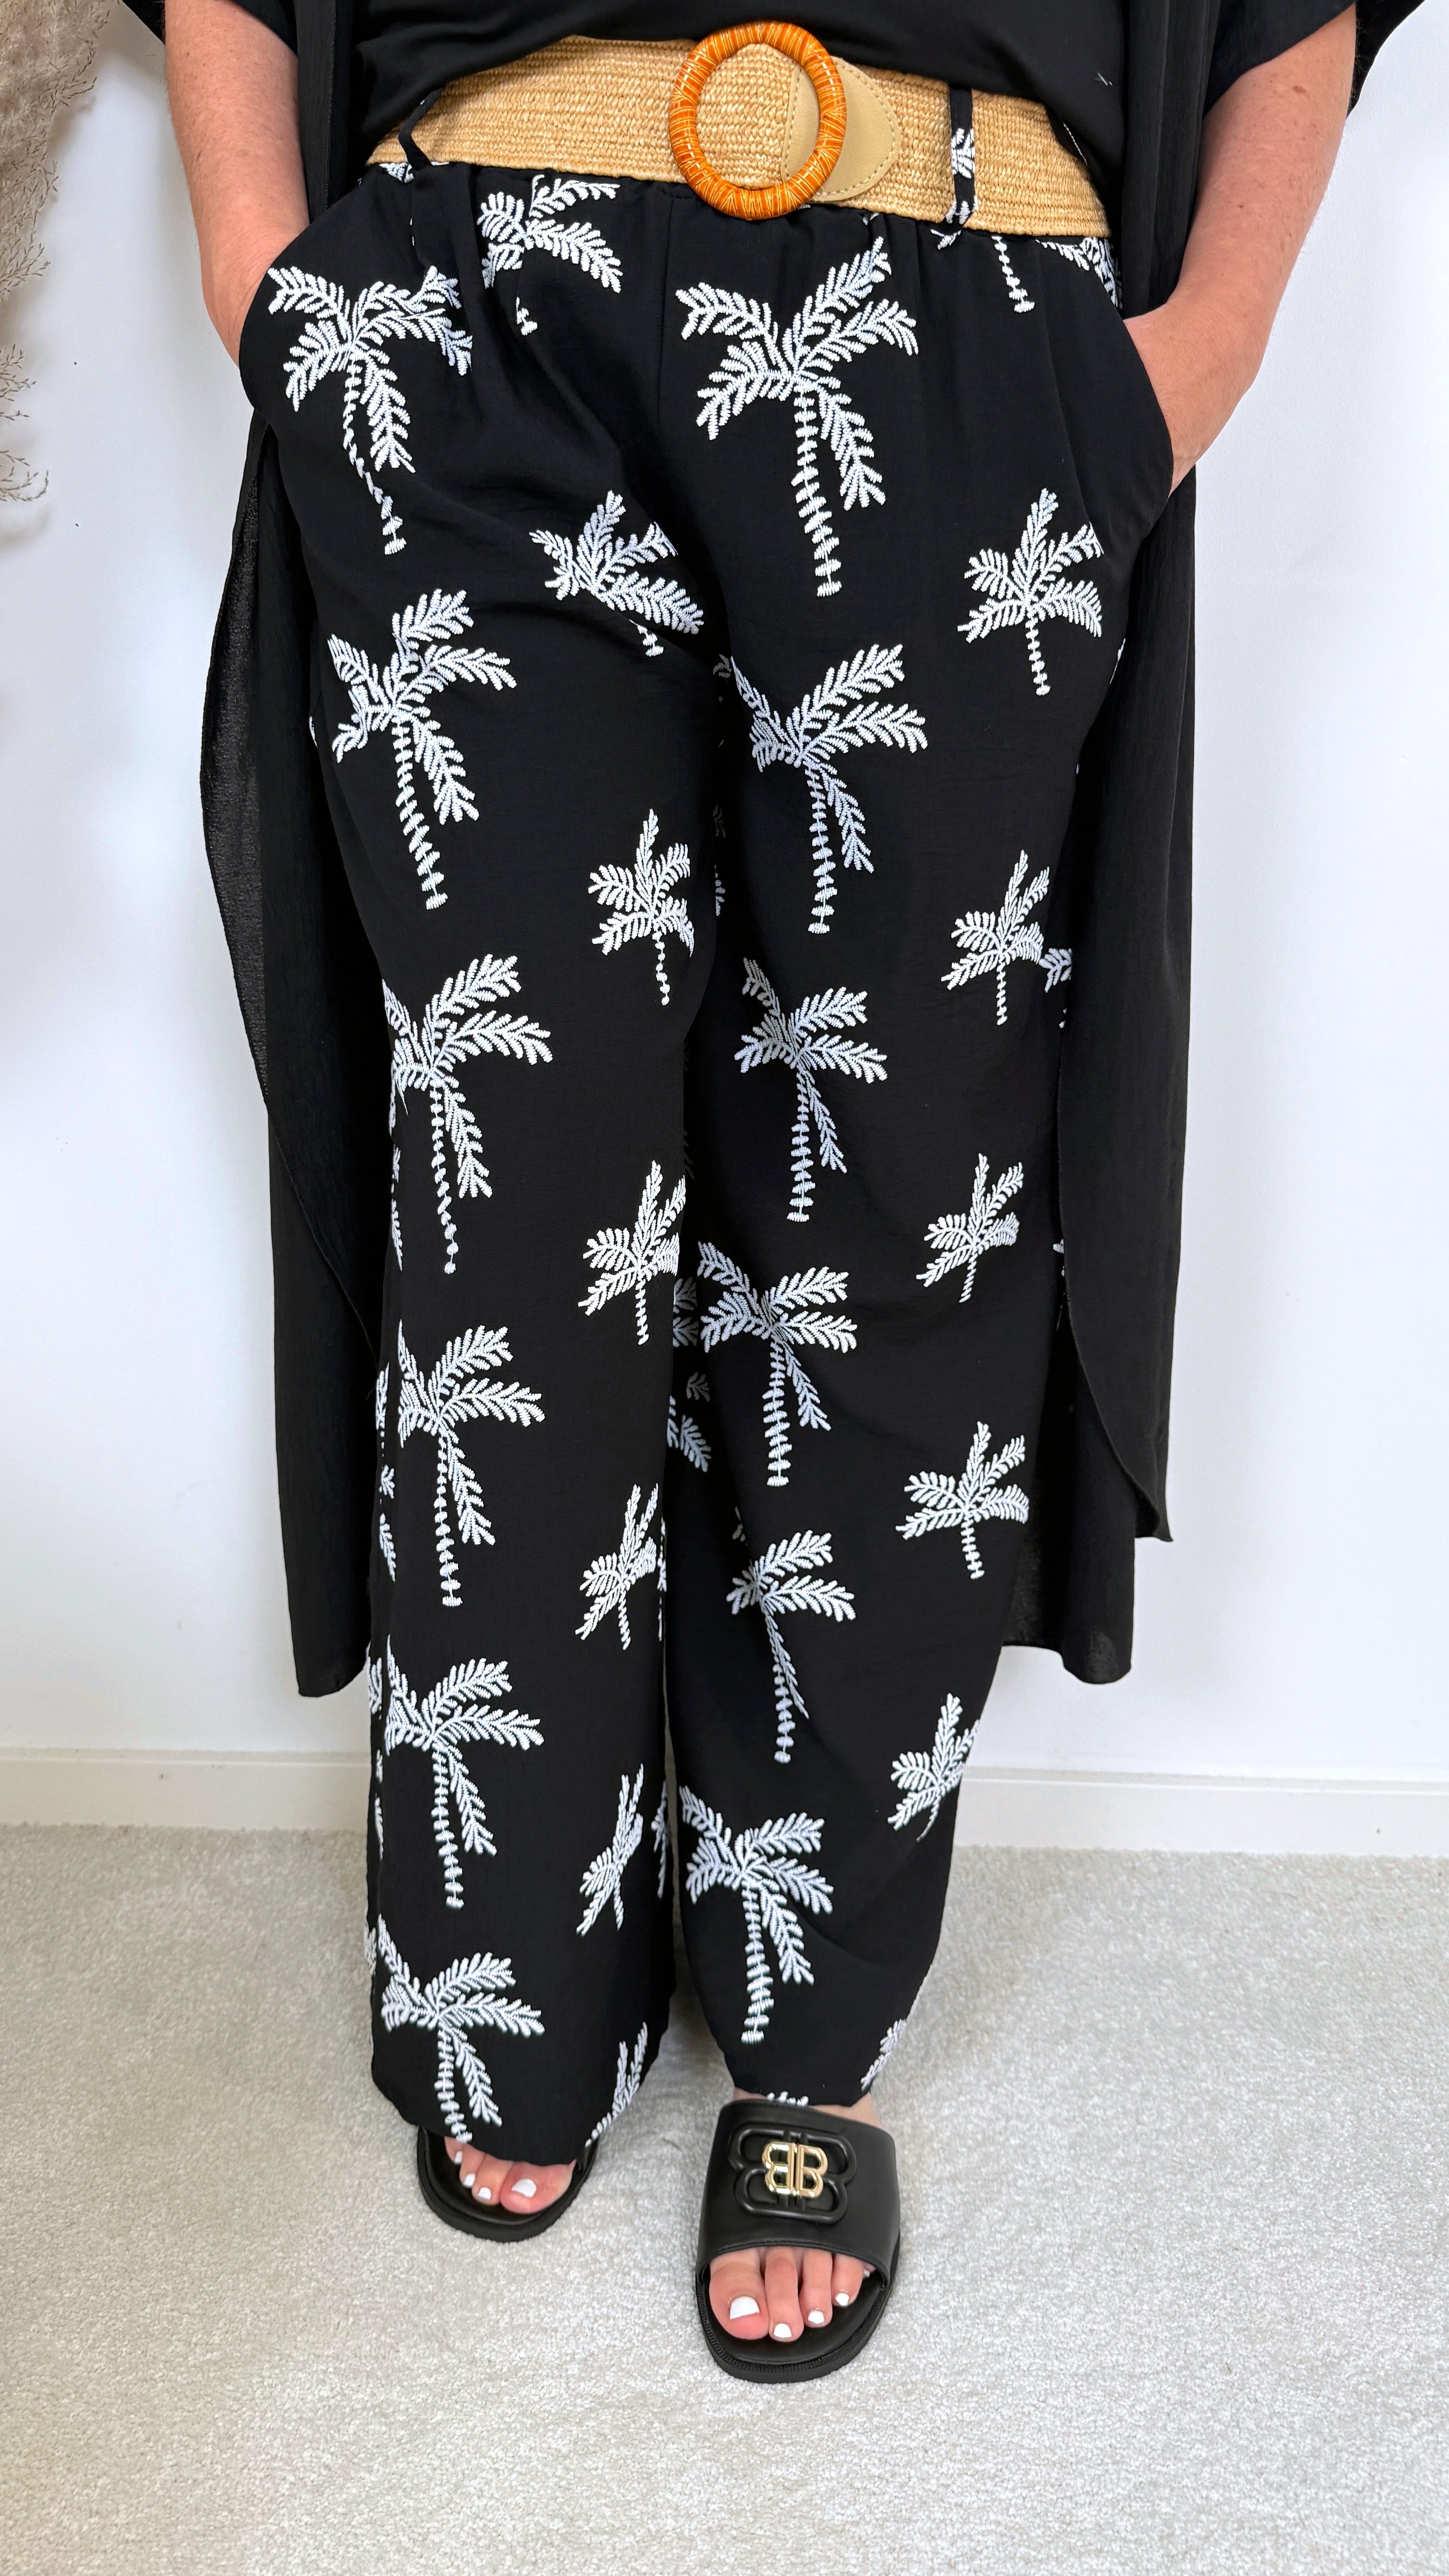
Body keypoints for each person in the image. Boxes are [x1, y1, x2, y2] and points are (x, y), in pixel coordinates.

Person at [128, 0, 1415, 2379]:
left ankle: (814, 2033)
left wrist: (1199, 352)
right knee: (514, 1222)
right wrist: (263, 276)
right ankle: (512, 1972)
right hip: (465, 310)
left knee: (891, 1228)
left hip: (968, 310)